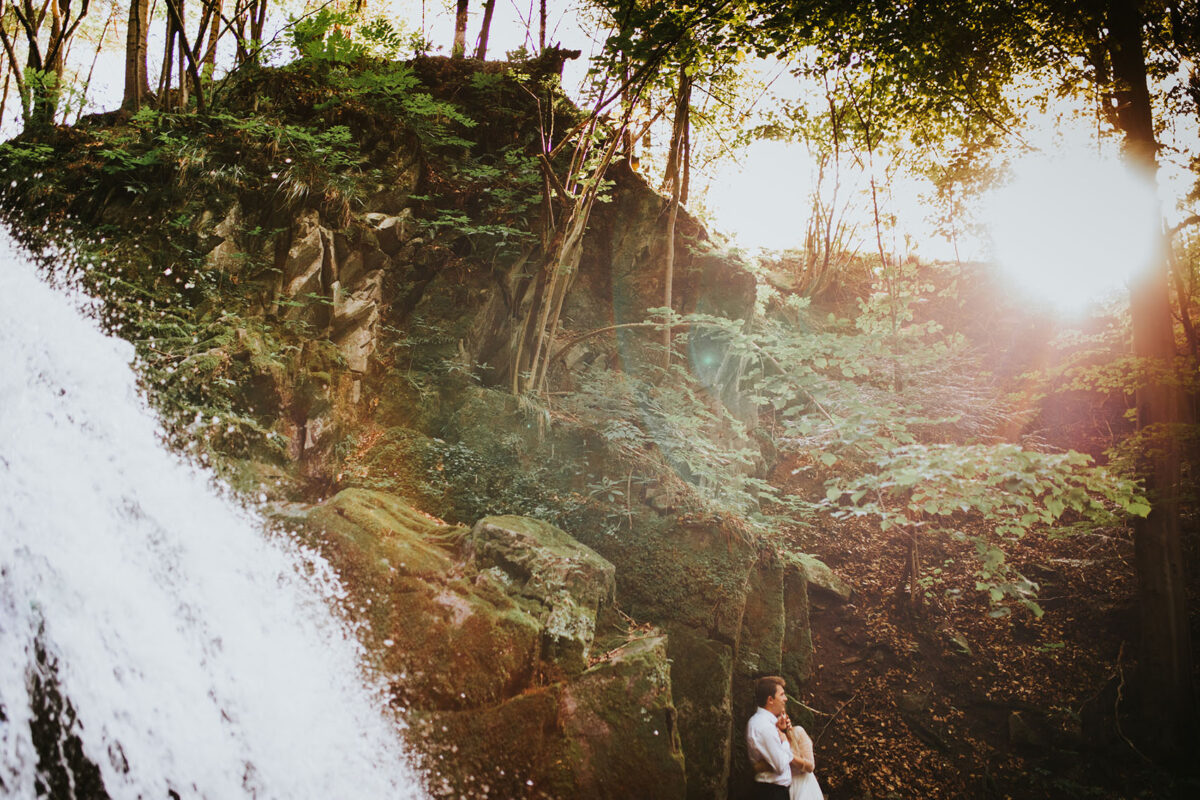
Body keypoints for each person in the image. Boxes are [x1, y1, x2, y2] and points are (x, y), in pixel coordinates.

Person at [746, 676, 823, 800]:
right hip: (772, 792)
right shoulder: (765, 726)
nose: (786, 698)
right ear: (770, 700)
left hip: (785, 790)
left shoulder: (768, 725)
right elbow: (780, 766)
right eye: (781, 695)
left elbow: (809, 765)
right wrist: (785, 742)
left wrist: (783, 733)